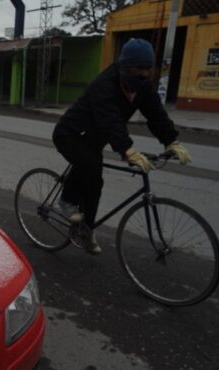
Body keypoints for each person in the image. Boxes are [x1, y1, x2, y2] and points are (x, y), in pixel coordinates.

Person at [52, 38, 192, 255]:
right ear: (125, 67)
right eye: (139, 68)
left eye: (148, 68)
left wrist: (171, 140)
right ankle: (67, 200)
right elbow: (110, 119)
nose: (144, 74)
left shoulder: (143, 88)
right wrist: (127, 149)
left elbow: (156, 114)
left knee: (95, 184)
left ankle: (85, 230)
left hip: (93, 139)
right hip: (69, 134)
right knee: (90, 165)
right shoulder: (104, 84)